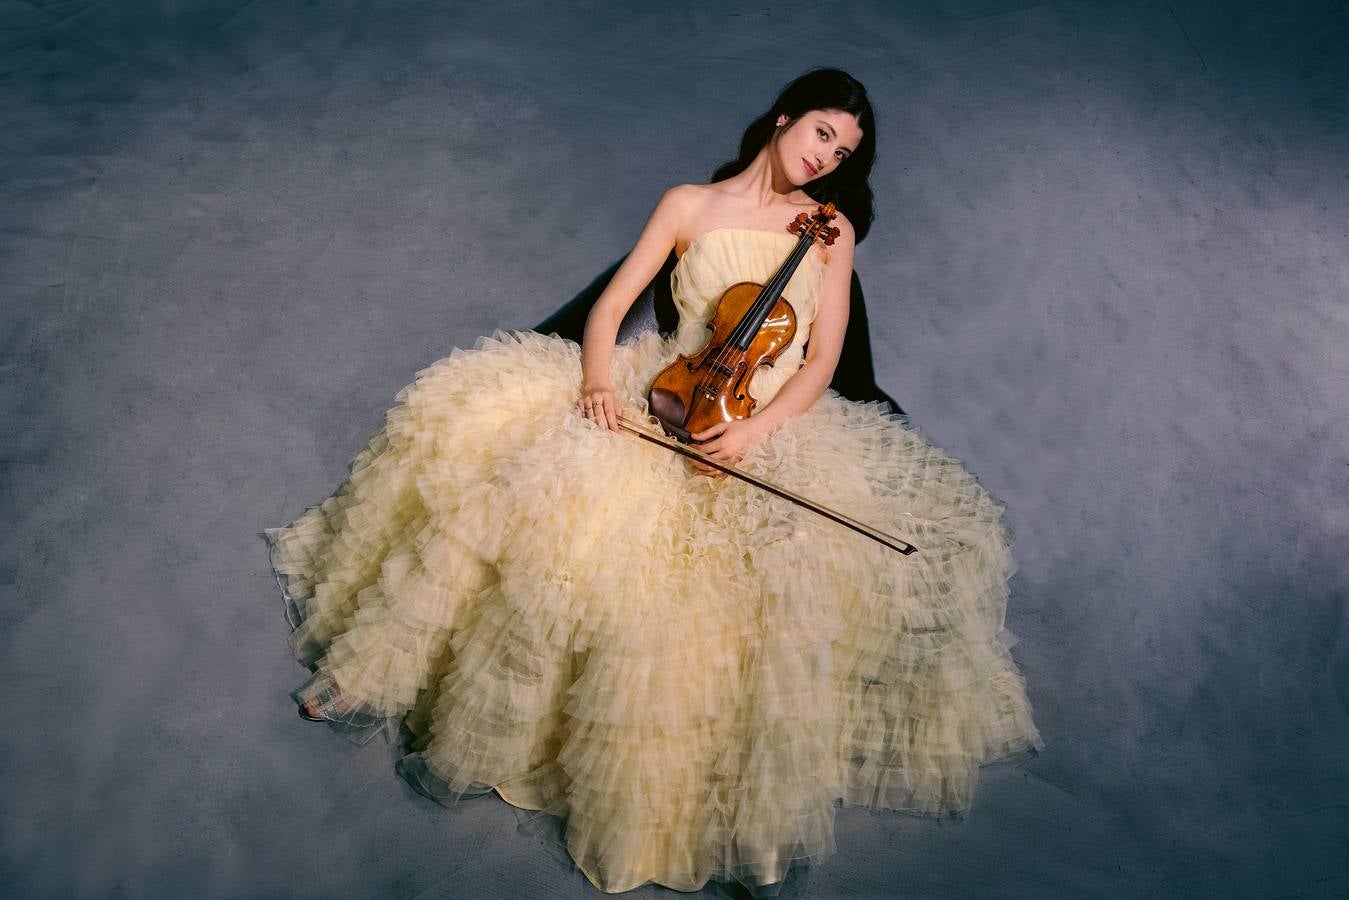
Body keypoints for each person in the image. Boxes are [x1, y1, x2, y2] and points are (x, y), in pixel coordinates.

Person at [263, 67, 1043, 896]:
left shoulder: (828, 232)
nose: (827, 158)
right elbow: (609, 310)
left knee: (775, 589)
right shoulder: (688, 205)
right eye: (821, 132)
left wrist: (748, 431)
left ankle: (747, 820)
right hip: (664, 390)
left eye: (845, 151)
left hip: (763, 422)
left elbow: (817, 364)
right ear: (783, 118)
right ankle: (367, 677)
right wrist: (599, 381)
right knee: (522, 504)